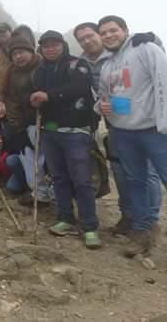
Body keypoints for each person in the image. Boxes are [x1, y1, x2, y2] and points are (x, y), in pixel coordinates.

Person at [97, 15, 167, 256]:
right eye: (104, 33)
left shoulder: (146, 49)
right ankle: (142, 234)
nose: (109, 35)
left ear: (125, 30)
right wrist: (103, 108)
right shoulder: (107, 66)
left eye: (113, 30)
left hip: (156, 132)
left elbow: (166, 83)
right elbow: (113, 98)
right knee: (136, 184)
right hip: (124, 133)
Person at [74, 21, 161, 236]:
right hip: (113, 123)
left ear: (98, 34)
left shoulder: (122, 52)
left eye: (90, 35)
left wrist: (153, 39)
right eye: (81, 39)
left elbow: (154, 61)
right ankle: (128, 215)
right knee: (121, 170)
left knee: (146, 172)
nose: (87, 41)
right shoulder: (82, 61)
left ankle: (151, 220)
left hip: (142, 121)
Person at [30, 30, 100, 249]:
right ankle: (66, 219)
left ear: (63, 45)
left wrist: (48, 96)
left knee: (81, 180)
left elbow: (78, 88)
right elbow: (35, 93)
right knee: (59, 177)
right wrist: (33, 99)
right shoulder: (40, 71)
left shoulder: (77, 65)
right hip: (50, 129)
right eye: (46, 45)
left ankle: (90, 227)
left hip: (76, 130)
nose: (50, 48)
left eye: (55, 44)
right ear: (40, 48)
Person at [0, 36, 51, 205]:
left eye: (22, 52)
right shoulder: (11, 73)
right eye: (14, 54)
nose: (18, 57)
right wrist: (18, 127)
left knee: (50, 159)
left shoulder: (43, 66)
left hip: (47, 122)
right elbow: (11, 102)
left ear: (31, 51)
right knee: (29, 158)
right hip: (27, 124)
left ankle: (57, 192)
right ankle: (39, 193)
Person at [0, 23, 13, 93]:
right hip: (1, 90)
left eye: (3, 31)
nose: (1, 34)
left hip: (15, 89)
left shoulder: (17, 47)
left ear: (10, 32)